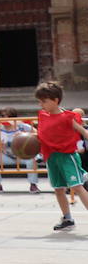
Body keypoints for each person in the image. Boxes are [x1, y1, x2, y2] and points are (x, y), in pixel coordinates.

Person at [34, 81, 88, 232]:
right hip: (51, 157)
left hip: (67, 156)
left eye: (44, 101)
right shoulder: (43, 116)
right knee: (58, 188)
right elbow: (41, 135)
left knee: (77, 186)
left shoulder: (67, 117)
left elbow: (83, 132)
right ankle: (67, 218)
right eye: (39, 101)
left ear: (55, 100)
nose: (41, 104)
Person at [0, 108, 36, 193]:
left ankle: (33, 185)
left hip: (22, 155)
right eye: (2, 116)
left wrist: (25, 136)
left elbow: (37, 134)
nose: (4, 118)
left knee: (32, 159)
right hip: (5, 155)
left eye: (8, 116)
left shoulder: (22, 126)